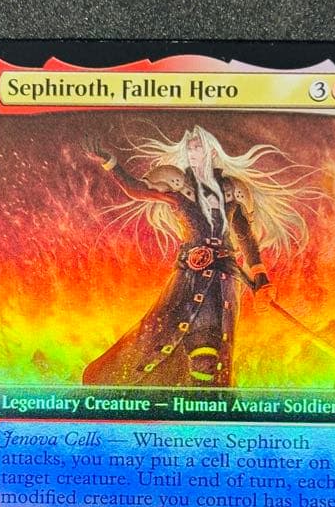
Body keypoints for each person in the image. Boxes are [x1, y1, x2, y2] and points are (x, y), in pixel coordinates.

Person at [81, 125, 315, 387]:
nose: (192, 153)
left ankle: (203, 401)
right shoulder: (178, 186)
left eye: (197, 147)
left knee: (210, 350)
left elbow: (245, 236)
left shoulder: (233, 189)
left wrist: (261, 276)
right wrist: (110, 163)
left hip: (224, 278)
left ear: (212, 151)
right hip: (188, 277)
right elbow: (137, 189)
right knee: (161, 336)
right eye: (189, 149)